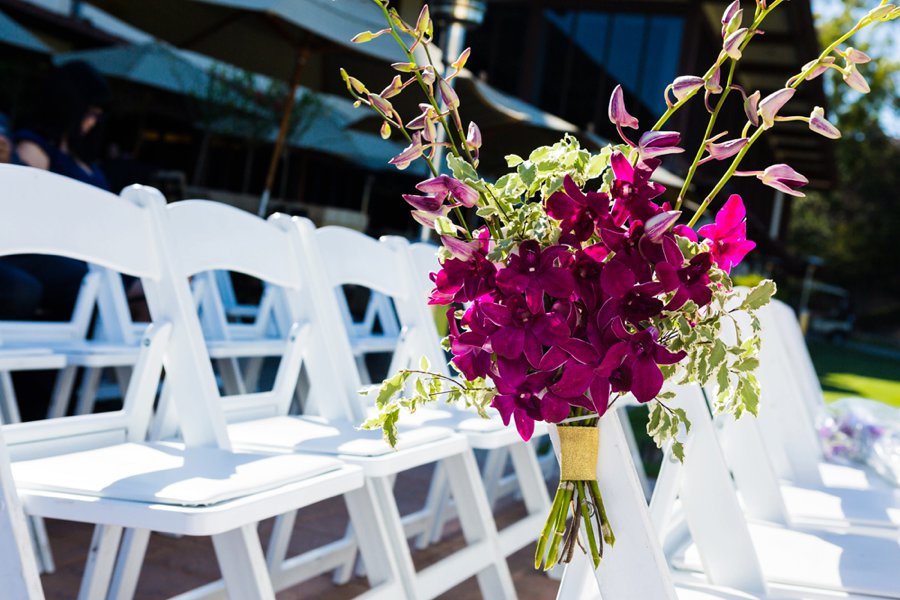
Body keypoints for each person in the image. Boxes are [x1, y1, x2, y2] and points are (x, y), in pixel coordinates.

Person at [5, 61, 112, 322]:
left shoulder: (84, 159)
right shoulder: (35, 147)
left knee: (111, 282)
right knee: (92, 283)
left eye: (98, 115)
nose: (92, 121)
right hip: (51, 250)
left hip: (94, 251)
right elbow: (27, 209)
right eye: (90, 112)